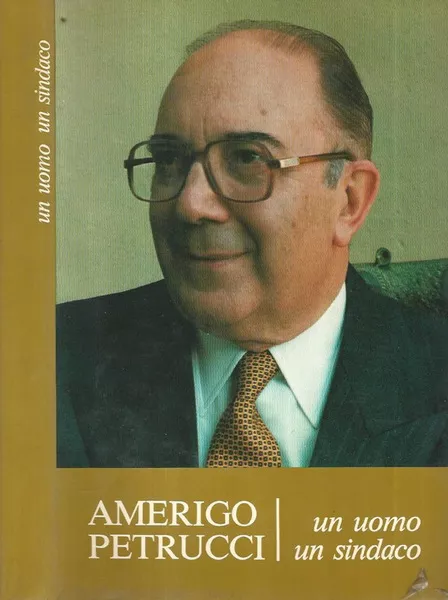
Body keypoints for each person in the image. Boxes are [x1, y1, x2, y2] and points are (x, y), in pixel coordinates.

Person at [57, 20, 448, 468]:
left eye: (247, 158)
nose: (191, 204)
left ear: (349, 201)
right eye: (169, 160)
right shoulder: (50, 361)